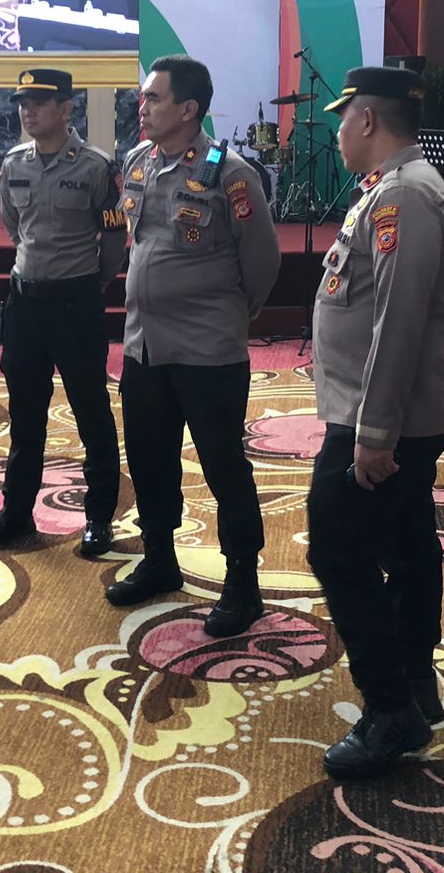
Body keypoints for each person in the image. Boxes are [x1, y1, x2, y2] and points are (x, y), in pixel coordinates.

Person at [305, 65, 444, 779]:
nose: (339, 132)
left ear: (367, 120)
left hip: (380, 420)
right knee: (406, 542)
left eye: (344, 119)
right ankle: (414, 674)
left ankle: (390, 706)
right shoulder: (389, 189)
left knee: (337, 549)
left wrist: (373, 435)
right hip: (386, 412)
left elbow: (397, 323)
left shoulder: (404, 195)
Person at [105, 54, 281, 637]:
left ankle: (242, 583)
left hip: (208, 353)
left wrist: (230, 315)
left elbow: (263, 261)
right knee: (149, 460)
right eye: (143, 96)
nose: (142, 106)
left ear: (188, 109)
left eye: (153, 98)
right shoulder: (136, 162)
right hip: (144, 347)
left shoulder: (231, 174)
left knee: (223, 467)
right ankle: (159, 559)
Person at [0, 67, 128, 557]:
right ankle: (16, 513)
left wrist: (94, 282)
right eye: (23, 103)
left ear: (66, 108)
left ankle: (98, 517)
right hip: (25, 305)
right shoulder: (13, 162)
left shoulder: (96, 167)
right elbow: (13, 226)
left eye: (39, 103)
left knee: (90, 412)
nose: (28, 111)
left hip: (75, 303)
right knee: (25, 415)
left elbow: (114, 237)